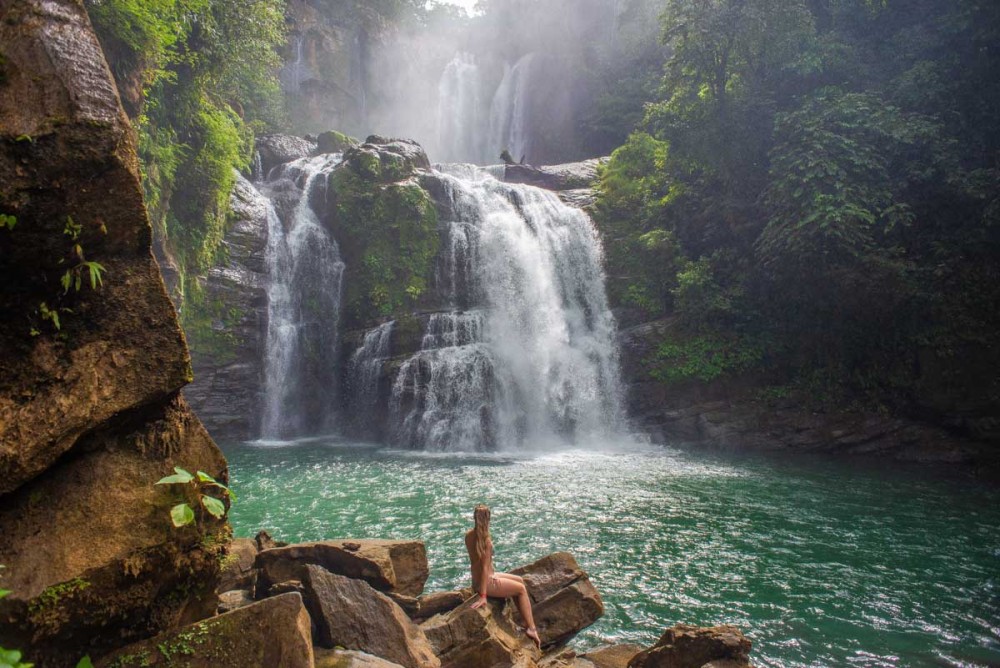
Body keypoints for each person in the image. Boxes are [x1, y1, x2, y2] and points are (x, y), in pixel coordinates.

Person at [465, 504, 541, 648]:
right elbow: (485, 567)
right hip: (486, 582)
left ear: (474, 518)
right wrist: (483, 595)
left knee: (520, 580)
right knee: (521, 589)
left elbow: (478, 565)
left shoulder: (468, 536)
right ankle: (531, 628)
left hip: (479, 579)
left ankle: (524, 620)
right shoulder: (486, 541)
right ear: (488, 519)